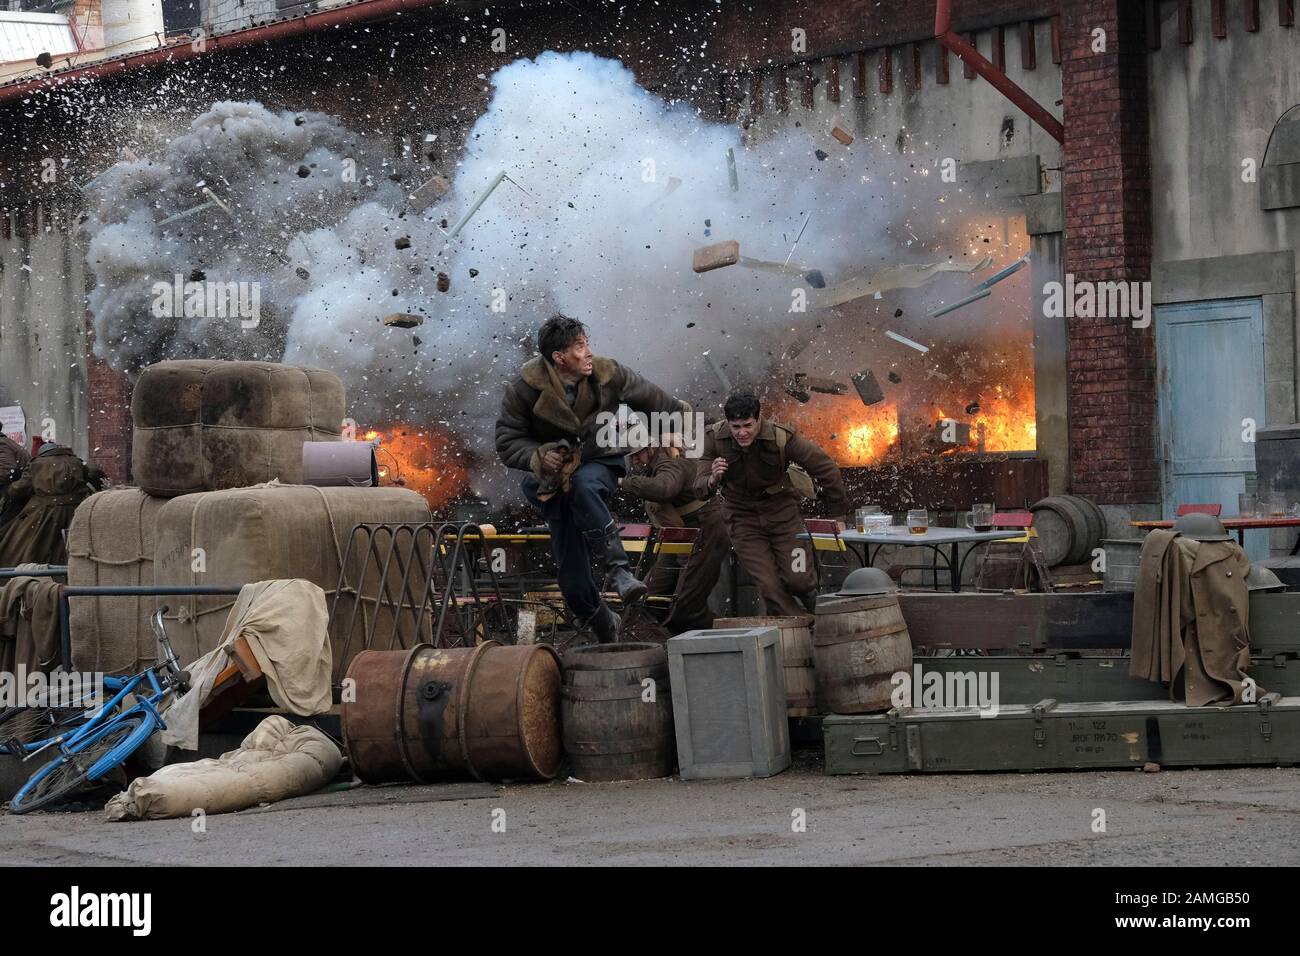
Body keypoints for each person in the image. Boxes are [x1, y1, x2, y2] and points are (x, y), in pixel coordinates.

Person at [496, 315, 692, 643]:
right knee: (572, 585)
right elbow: (507, 441)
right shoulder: (524, 389)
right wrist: (539, 455)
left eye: (587, 344)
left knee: (585, 486)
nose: (588, 353)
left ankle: (620, 572)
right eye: (579, 347)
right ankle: (603, 621)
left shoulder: (607, 373)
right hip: (555, 484)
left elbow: (660, 403)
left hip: (599, 461)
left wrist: (667, 431)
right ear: (559, 358)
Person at [695, 388, 848, 616]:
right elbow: (698, 488)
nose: (742, 433)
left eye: (748, 425)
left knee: (799, 580)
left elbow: (825, 467)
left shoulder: (781, 437)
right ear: (728, 423)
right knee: (768, 586)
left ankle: (821, 615)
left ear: (758, 419)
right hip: (742, 519)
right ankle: (804, 626)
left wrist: (837, 515)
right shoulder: (713, 438)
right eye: (736, 427)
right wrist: (713, 478)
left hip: (782, 514)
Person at [621, 433, 729, 634]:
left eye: (638, 454)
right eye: (631, 457)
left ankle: (712, 639)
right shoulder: (653, 463)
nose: (635, 460)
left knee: (685, 606)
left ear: (651, 448)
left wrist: (624, 483)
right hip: (678, 535)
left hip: (704, 531)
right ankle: (646, 639)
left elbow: (665, 488)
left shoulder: (668, 460)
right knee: (650, 597)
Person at [0, 442, 106, 567]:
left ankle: (30, 574)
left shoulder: (37, 464)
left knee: (23, 545)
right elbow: (92, 476)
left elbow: (19, 489)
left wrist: (8, 488)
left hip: (45, 513)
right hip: (76, 511)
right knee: (74, 544)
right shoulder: (76, 462)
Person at [0, 432, 31, 529]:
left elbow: (6, 470)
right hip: (17, 494)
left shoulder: (2, 445)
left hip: (16, 496)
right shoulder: (6, 443)